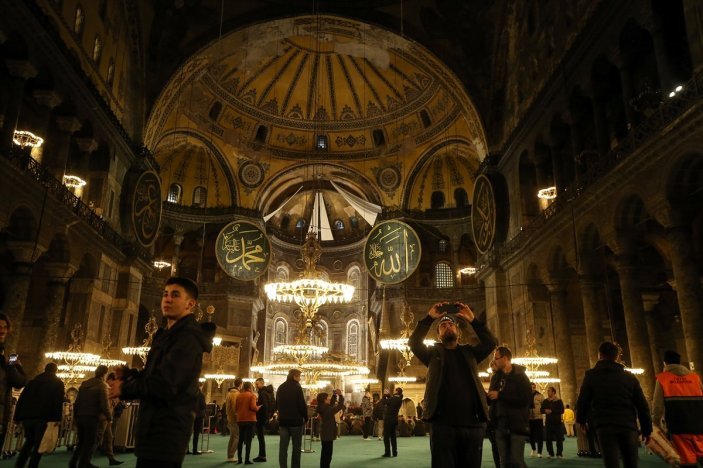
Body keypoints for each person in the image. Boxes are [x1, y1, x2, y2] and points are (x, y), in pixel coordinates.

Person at [110, 277, 216, 468]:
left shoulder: (187, 339)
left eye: (175, 295)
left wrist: (125, 388)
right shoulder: (168, 335)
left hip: (167, 430)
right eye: (165, 294)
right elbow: (156, 376)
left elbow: (165, 385)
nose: (167, 299)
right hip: (155, 426)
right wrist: (130, 374)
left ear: (190, 304)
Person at [409, 302, 498, 467]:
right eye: (443, 326)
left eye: (451, 324)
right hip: (443, 426)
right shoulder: (432, 354)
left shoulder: (470, 353)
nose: (447, 327)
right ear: (438, 335)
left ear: (458, 332)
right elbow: (414, 343)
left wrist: (473, 321)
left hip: (472, 424)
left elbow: (491, 342)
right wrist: (429, 319)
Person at [576, 341, 652, 468]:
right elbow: (642, 405)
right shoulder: (629, 377)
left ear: (599, 355)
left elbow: (583, 400)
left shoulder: (591, 376)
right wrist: (647, 430)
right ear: (616, 357)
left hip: (605, 425)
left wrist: (582, 420)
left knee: (611, 463)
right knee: (631, 463)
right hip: (627, 424)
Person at [652, 349, 703, 467]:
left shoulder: (663, 378)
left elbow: (657, 405)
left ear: (665, 363)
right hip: (699, 425)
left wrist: (655, 424)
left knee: (687, 462)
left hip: (678, 426)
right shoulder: (695, 377)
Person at [487, 346, 532, 468]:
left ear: (505, 358)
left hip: (516, 424)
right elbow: (492, 399)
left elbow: (525, 399)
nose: (494, 361)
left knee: (517, 461)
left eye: (496, 358)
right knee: (504, 462)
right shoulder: (496, 377)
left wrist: (500, 395)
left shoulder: (521, 376)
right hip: (500, 425)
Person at [13, 362, 64, 468]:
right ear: (55, 370)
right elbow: (57, 402)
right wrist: (57, 418)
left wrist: (17, 417)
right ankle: (33, 466)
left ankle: (19, 465)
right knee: (39, 445)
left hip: (28, 418)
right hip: (44, 418)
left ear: (45, 369)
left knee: (29, 442)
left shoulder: (33, 382)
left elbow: (22, 399)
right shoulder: (57, 383)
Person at [71, 365, 112, 468]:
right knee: (90, 442)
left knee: (81, 442)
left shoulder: (84, 384)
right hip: (92, 417)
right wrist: (109, 416)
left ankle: (73, 463)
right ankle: (84, 463)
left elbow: (77, 402)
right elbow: (104, 404)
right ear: (104, 374)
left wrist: (75, 416)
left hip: (80, 416)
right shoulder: (102, 385)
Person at [0, 312, 27, 446]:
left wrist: (15, 366)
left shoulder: (6, 356)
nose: (2, 330)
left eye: (5, 327)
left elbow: (19, 382)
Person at [276, 368, 308, 468]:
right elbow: (301, 405)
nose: (300, 379)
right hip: (296, 422)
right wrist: (305, 417)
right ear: (294, 376)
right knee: (296, 447)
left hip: (283, 422)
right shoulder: (297, 387)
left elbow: (277, 404)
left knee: (283, 448)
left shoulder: (281, 387)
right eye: (299, 376)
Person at [316, 391, 345, 468]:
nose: (329, 398)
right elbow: (340, 406)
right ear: (324, 400)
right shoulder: (327, 409)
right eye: (327, 397)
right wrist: (341, 396)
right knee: (328, 454)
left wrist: (334, 395)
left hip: (325, 432)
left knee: (325, 452)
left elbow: (331, 404)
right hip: (328, 433)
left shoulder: (323, 407)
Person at [235, 381, 261, 465]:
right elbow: (253, 407)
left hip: (240, 419)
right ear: (250, 387)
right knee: (248, 440)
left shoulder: (239, 395)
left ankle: (239, 459)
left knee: (241, 440)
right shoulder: (252, 395)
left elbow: (236, 408)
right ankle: (246, 459)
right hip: (250, 420)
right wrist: (258, 407)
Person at [253, 377, 274, 462]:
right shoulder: (270, 393)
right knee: (261, 437)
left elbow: (264, 406)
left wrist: (264, 417)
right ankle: (262, 455)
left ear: (262, 383)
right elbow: (273, 405)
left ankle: (262, 456)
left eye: (257, 384)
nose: (256, 386)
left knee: (260, 437)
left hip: (261, 417)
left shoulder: (262, 393)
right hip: (266, 417)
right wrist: (270, 416)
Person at [541, 386, 565, 458]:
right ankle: (550, 453)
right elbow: (541, 410)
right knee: (548, 439)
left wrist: (552, 411)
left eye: (549, 391)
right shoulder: (545, 401)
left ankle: (559, 453)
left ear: (553, 392)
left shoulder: (559, 401)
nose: (548, 392)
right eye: (548, 391)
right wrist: (545, 411)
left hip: (557, 423)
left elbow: (562, 410)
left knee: (559, 439)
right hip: (548, 423)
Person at [381, 387, 403, 457]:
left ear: (396, 392)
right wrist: (388, 395)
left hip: (388, 420)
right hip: (394, 420)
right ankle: (394, 452)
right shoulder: (399, 400)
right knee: (393, 437)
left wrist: (384, 394)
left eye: (394, 391)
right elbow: (391, 399)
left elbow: (384, 402)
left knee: (386, 437)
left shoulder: (393, 399)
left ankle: (387, 453)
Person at [226, 378, 243, 462]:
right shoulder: (235, 393)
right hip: (234, 418)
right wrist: (238, 417)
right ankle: (231, 455)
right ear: (240, 384)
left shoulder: (230, 392)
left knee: (233, 437)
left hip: (230, 417)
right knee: (237, 437)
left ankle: (229, 455)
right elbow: (234, 406)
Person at [528, 382, 545, 458]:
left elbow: (544, 406)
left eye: (533, 387)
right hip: (529, 418)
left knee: (539, 436)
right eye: (531, 387)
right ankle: (533, 449)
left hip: (538, 418)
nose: (532, 388)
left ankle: (540, 452)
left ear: (535, 387)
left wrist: (540, 411)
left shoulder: (540, 395)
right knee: (530, 435)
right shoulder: (525, 395)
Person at [191, 383, 206, 455]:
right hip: (199, 416)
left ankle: (186, 450)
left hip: (190, 415)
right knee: (196, 434)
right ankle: (194, 450)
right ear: (200, 386)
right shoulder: (201, 395)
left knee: (188, 433)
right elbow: (203, 406)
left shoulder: (191, 393)